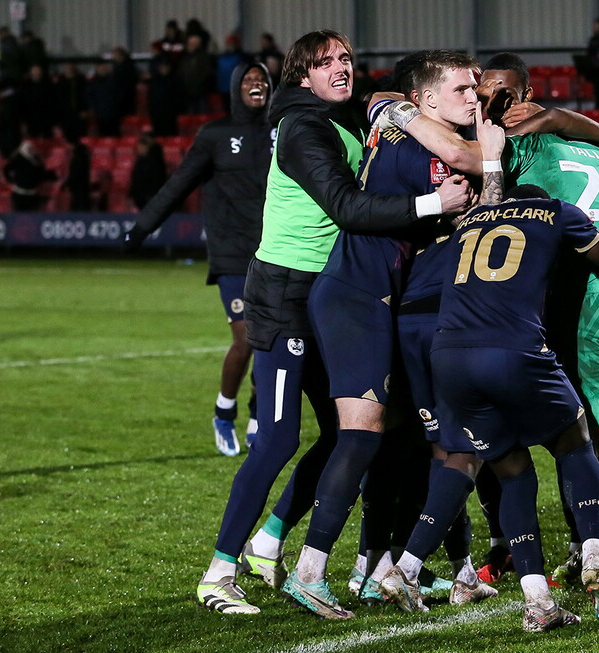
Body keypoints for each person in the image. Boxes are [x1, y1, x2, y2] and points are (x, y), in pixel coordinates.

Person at [193, 29, 472, 616]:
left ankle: (269, 543)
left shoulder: (343, 123)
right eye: (324, 63)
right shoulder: (303, 129)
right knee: (275, 440)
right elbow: (345, 208)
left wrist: (389, 104)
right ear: (302, 77)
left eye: (346, 58)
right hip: (283, 296)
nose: (340, 68)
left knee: (354, 433)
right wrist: (432, 203)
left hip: (325, 295)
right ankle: (219, 572)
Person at [428, 117, 599, 632]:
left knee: (510, 471)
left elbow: (489, 196)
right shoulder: (557, 212)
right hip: (516, 352)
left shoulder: (471, 219)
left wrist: (488, 160)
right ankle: (593, 549)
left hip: (450, 357)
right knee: (576, 441)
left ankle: (537, 602)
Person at [277, 45, 476, 621]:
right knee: (360, 435)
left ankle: (377, 567)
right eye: (462, 90)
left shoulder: (401, 125)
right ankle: (309, 571)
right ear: (426, 99)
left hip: (377, 296)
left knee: (396, 436)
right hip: (354, 293)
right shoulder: (412, 134)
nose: (473, 99)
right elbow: (460, 159)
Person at [123, 63, 274, 456]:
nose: (255, 85)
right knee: (246, 339)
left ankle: (259, 418)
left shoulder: (283, 131)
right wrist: (141, 229)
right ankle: (224, 412)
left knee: (272, 342)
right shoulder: (215, 134)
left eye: (261, 80)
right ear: (234, 88)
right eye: (248, 80)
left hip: (276, 253)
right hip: (231, 255)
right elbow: (178, 185)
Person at [3, 140, 56, 211]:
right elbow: (6, 169)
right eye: (29, 149)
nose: (31, 151)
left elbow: (42, 174)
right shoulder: (17, 160)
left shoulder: (37, 162)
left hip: (33, 194)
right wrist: (10, 180)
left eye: (31, 149)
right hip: (19, 194)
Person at [128, 134, 167, 210]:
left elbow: (155, 179)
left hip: (150, 197)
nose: (138, 149)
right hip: (142, 198)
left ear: (146, 147)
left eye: (140, 147)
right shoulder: (141, 161)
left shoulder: (154, 162)